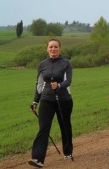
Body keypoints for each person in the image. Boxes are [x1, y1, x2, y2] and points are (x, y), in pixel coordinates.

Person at [29, 39, 73, 168]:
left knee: (64, 126)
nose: (53, 49)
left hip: (63, 99)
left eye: (56, 47)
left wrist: (58, 85)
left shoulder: (66, 63)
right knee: (43, 128)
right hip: (46, 100)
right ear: (47, 49)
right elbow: (39, 84)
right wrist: (35, 101)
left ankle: (68, 151)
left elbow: (68, 81)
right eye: (51, 47)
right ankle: (37, 158)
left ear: (59, 49)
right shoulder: (42, 64)